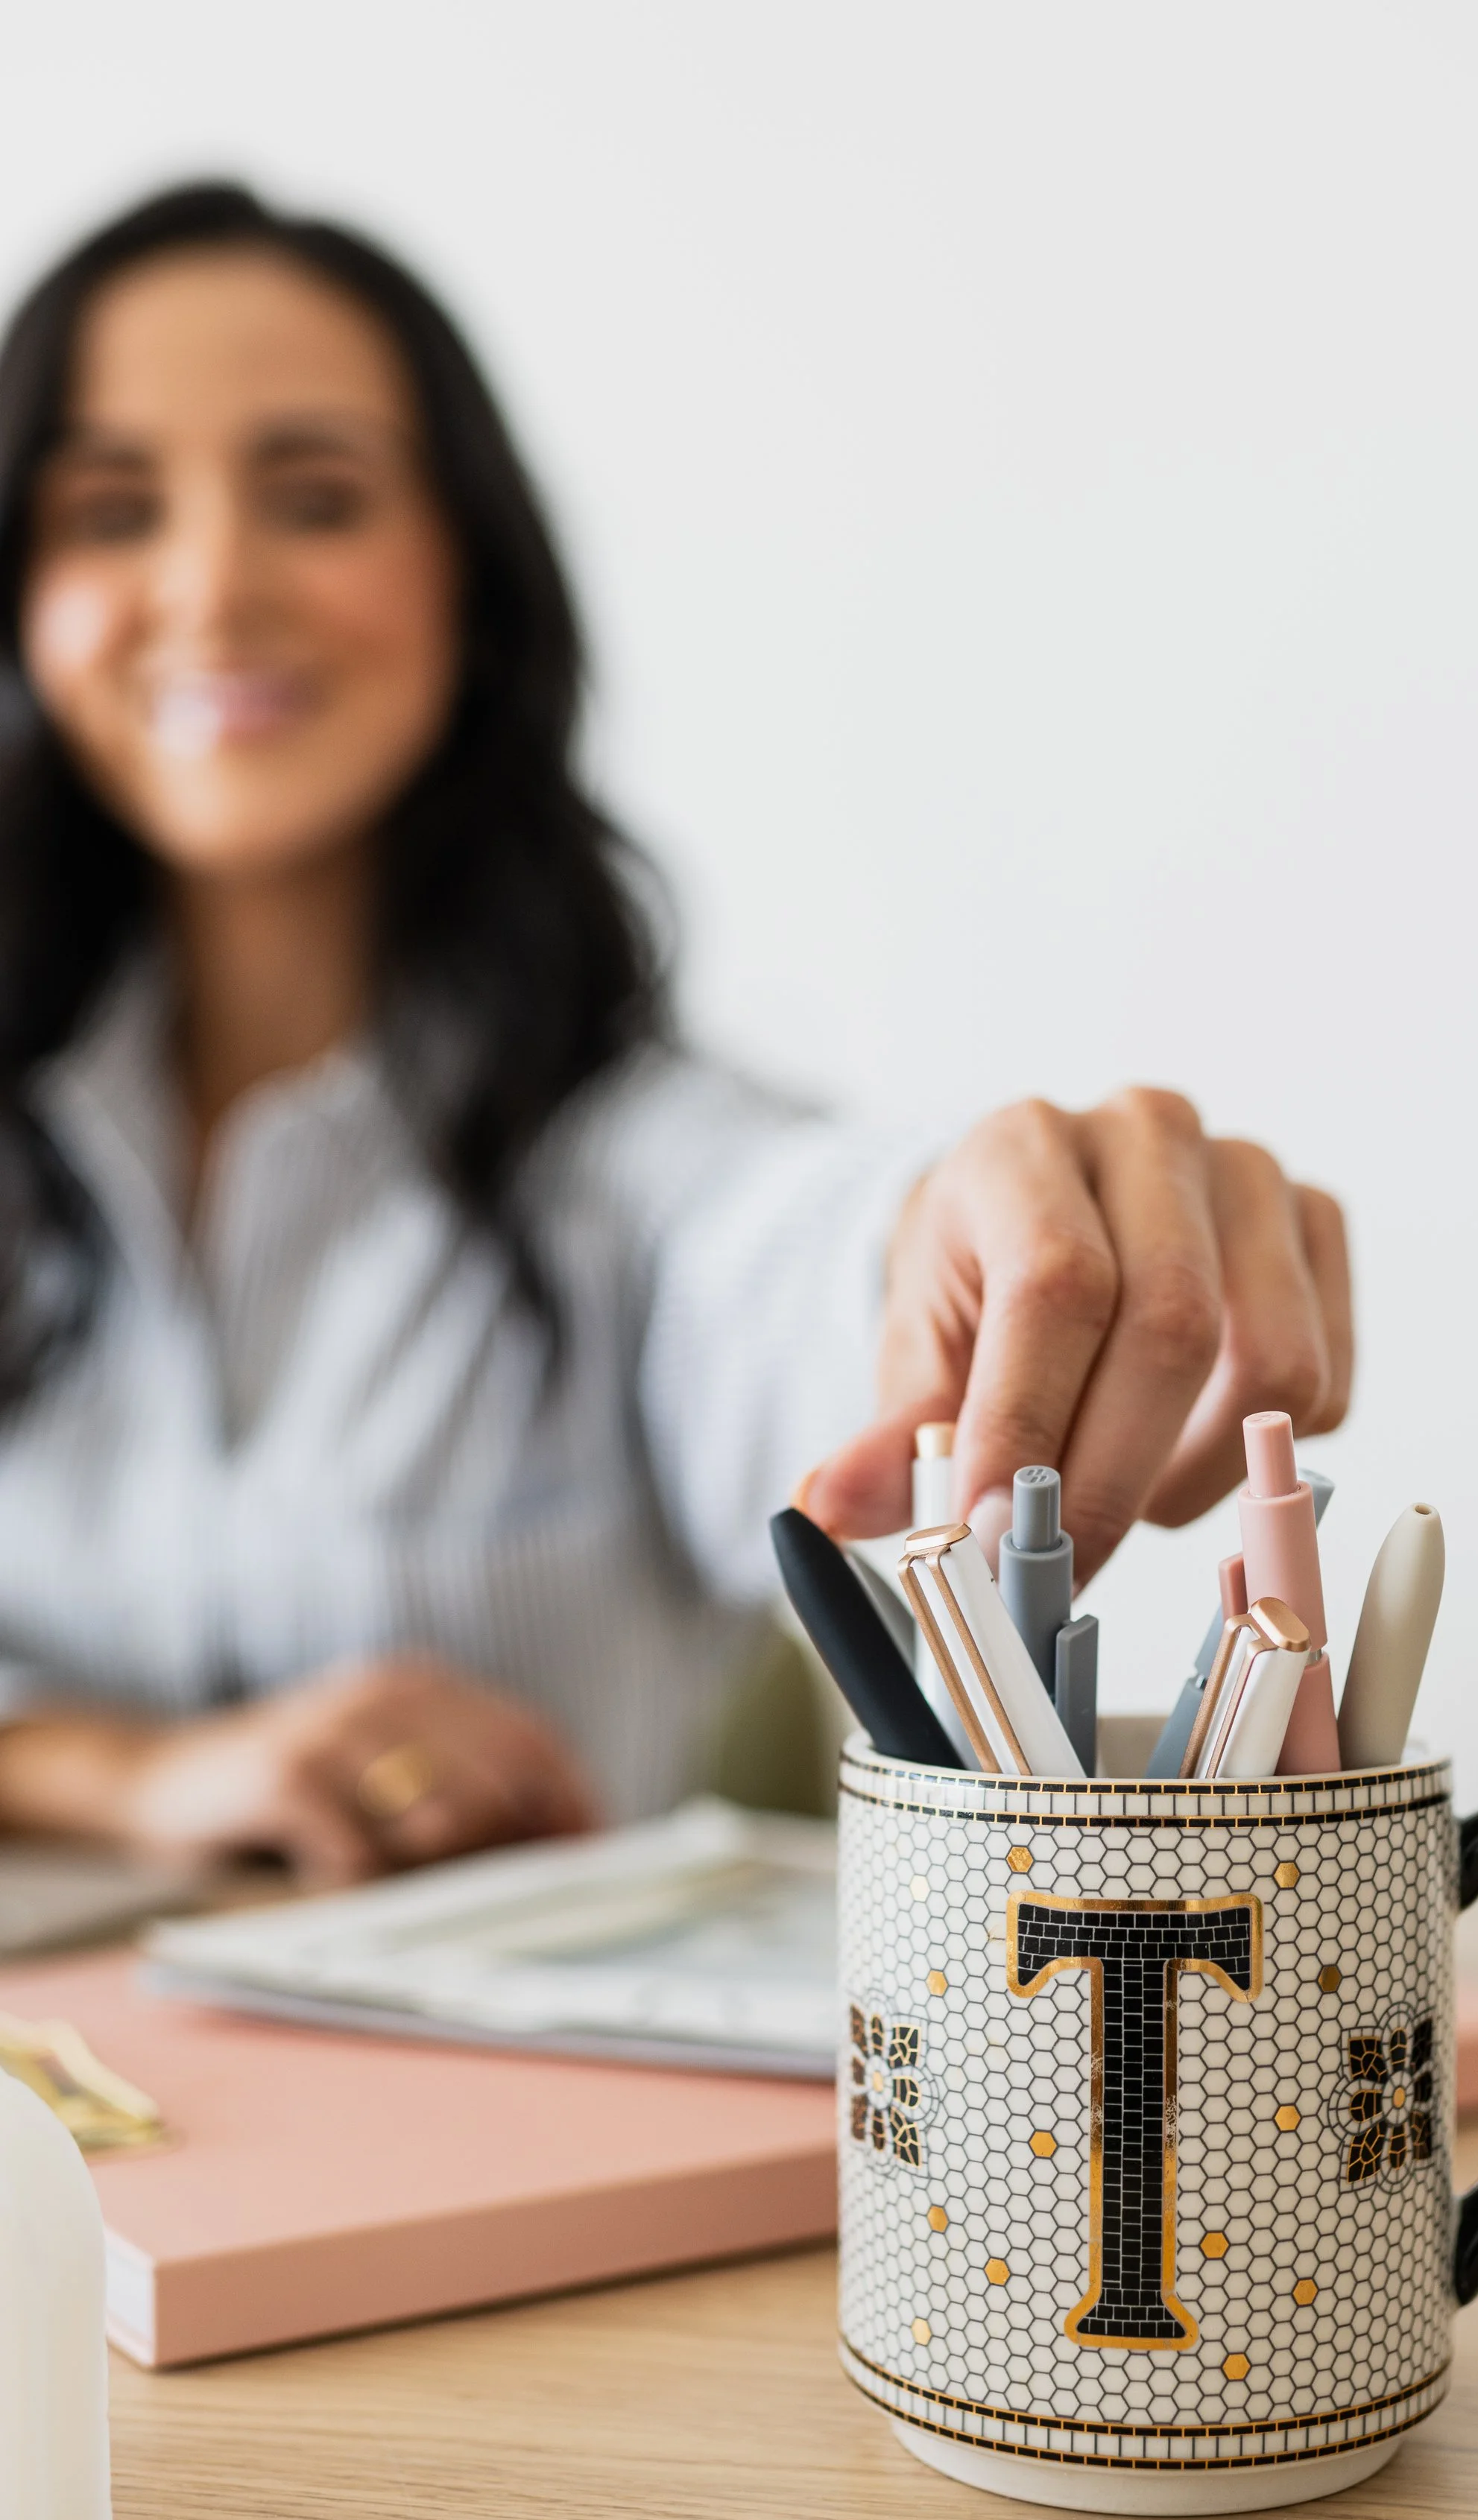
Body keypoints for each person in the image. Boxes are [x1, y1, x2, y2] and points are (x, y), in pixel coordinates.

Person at [0, 182, 1351, 1878]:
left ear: (468, 580)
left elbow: (804, 1264)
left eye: (317, 497)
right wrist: (125, 1771)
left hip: (503, 2126)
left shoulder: (631, 1165)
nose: (207, 586)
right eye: (112, 512)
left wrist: (976, 1227)